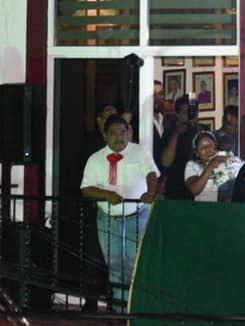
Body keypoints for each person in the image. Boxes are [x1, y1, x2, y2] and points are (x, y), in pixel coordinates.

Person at [80, 113, 158, 308]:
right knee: (115, 266)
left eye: (123, 132)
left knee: (135, 265)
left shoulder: (139, 151)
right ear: (105, 136)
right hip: (108, 219)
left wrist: (151, 191)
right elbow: (86, 189)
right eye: (113, 133)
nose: (119, 137)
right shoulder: (95, 159)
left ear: (129, 133)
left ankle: (136, 308)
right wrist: (107, 195)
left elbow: (151, 173)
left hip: (137, 216)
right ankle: (119, 311)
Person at [185, 129, 242, 203]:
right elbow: (195, 190)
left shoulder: (225, 157)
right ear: (196, 153)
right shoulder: (192, 165)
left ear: (215, 146)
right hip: (206, 207)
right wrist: (210, 166)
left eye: (210, 145)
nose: (208, 149)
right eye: (203, 147)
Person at [159, 94, 198, 197]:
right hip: (175, 187)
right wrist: (176, 134)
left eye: (191, 112)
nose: (189, 116)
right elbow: (166, 162)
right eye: (185, 113)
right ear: (177, 114)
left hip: (197, 187)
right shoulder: (170, 133)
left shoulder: (201, 133)